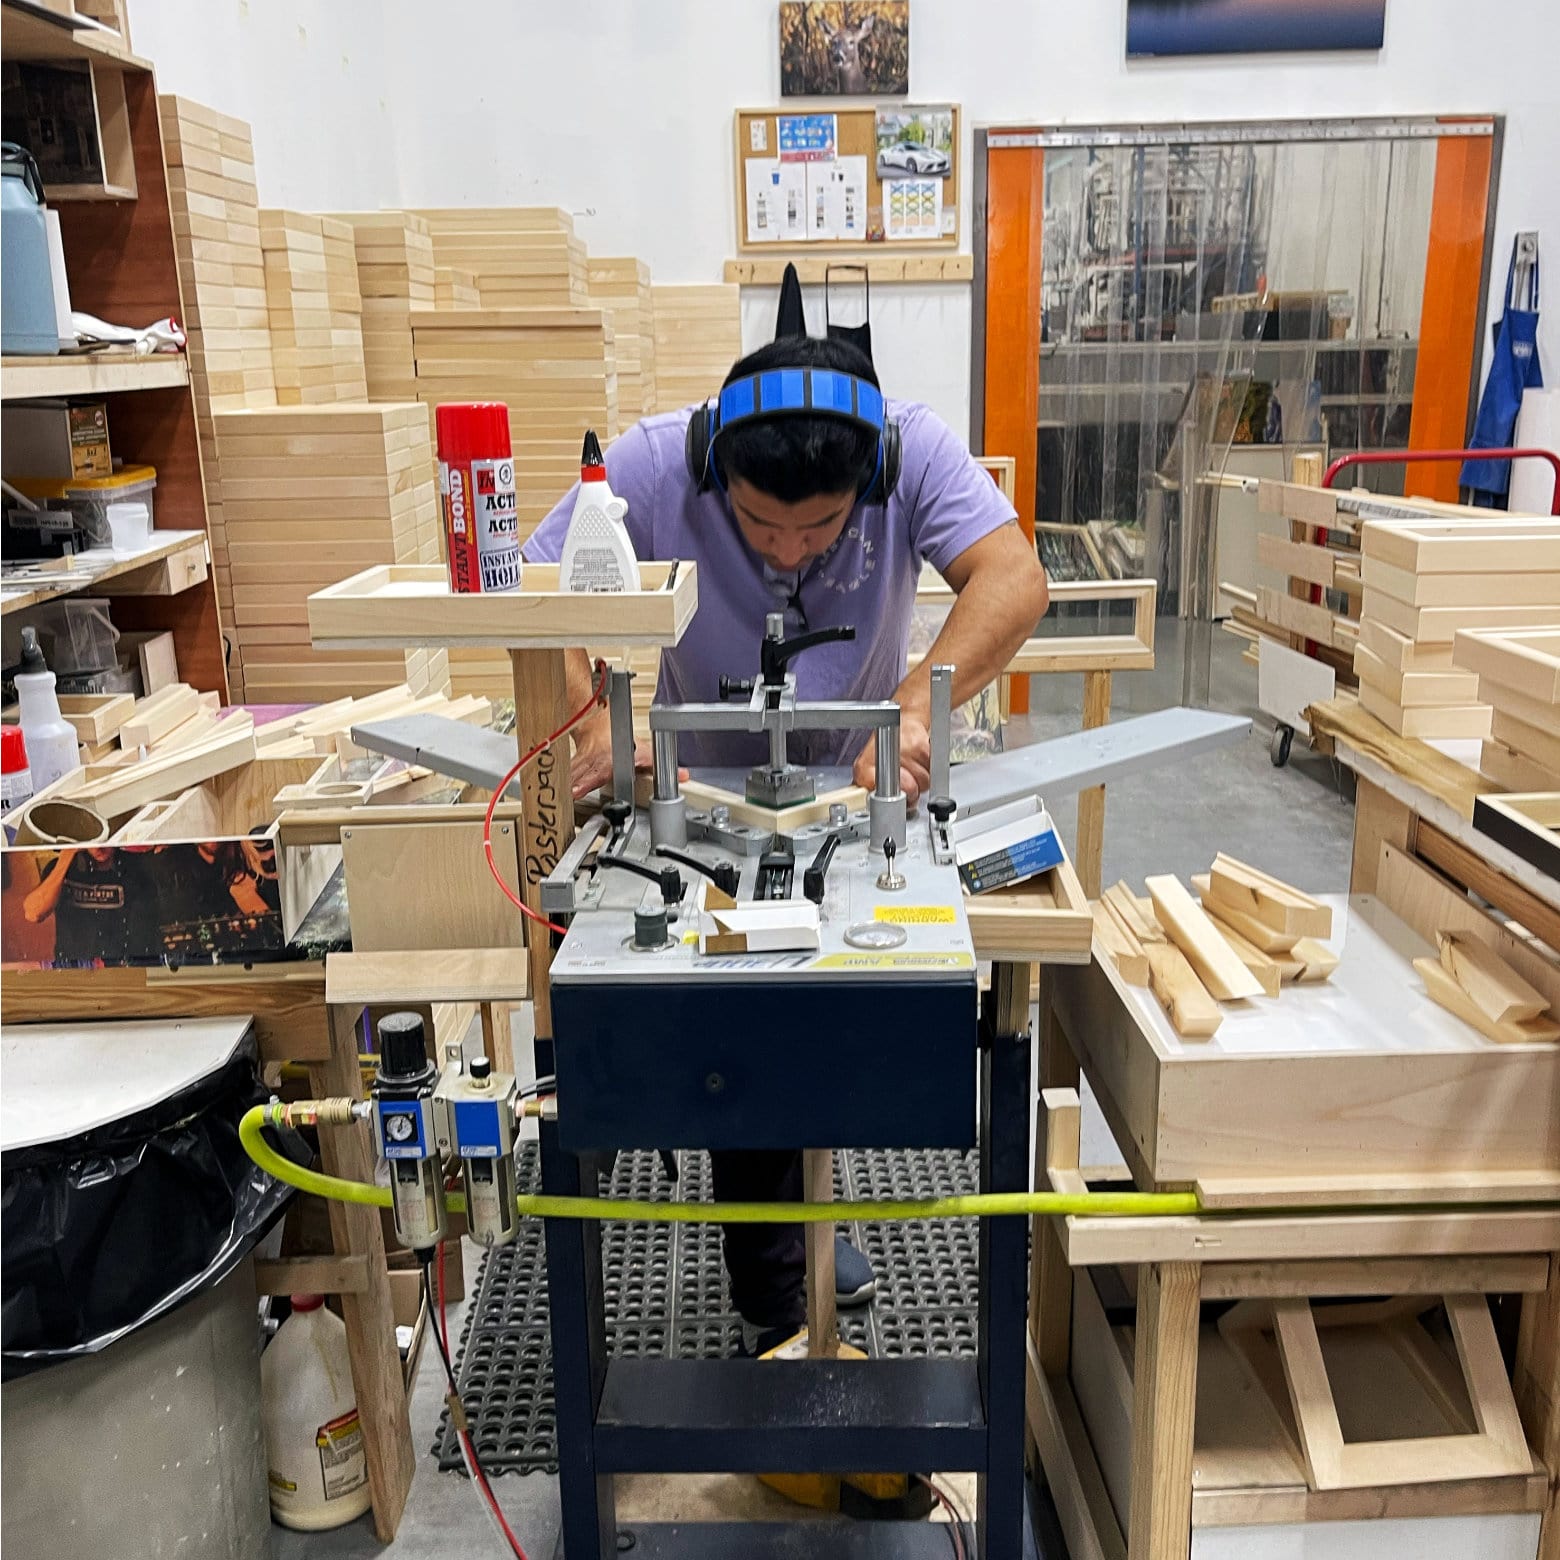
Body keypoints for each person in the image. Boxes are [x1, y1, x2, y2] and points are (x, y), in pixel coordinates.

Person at [524, 333, 1050, 1354]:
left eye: (819, 529)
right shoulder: (657, 457)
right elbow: (535, 578)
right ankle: (775, 1271)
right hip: (696, 790)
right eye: (760, 523)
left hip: (851, 787)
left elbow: (1015, 578)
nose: (787, 551)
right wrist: (595, 716)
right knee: (737, 1000)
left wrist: (918, 712)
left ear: (875, 479)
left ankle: (799, 1220)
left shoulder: (916, 450)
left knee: (844, 989)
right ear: (717, 466)